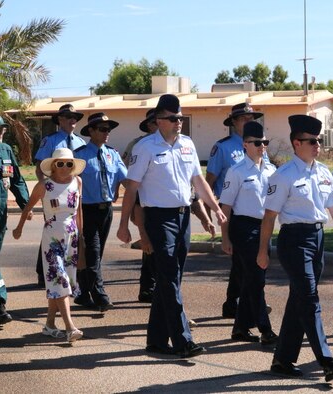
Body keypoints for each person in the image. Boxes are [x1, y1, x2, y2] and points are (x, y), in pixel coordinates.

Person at [117, 94, 226, 358]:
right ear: (158, 120)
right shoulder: (145, 148)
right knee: (167, 277)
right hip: (158, 218)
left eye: (180, 117)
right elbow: (132, 189)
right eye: (172, 118)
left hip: (182, 216)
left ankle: (155, 340)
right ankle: (183, 340)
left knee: (171, 279)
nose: (178, 122)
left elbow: (198, 183)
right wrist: (124, 224)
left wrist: (215, 208)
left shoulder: (187, 144)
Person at [257, 114, 333, 382]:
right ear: (296, 143)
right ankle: (326, 360)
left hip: (317, 239)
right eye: (312, 141)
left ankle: (282, 360)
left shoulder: (324, 172)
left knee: (300, 300)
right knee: (310, 299)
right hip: (294, 241)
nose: (317, 145)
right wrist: (263, 250)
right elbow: (269, 217)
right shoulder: (284, 175)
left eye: (319, 141)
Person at [13, 148, 86, 342]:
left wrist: (82, 240)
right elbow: (28, 207)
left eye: (69, 163)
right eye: (60, 163)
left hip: (72, 238)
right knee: (60, 280)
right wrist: (19, 228)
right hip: (52, 238)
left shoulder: (77, 182)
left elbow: (79, 213)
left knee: (61, 282)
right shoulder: (44, 186)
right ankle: (70, 328)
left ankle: (49, 324)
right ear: (53, 165)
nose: (64, 167)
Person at [219, 121, 277, 346]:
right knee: (256, 279)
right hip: (243, 228)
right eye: (257, 143)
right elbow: (225, 207)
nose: (262, 146)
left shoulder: (271, 170)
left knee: (251, 280)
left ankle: (240, 328)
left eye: (265, 142)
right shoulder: (236, 171)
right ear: (245, 145)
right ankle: (266, 328)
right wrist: (225, 237)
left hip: (265, 227)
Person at [207, 102, 264, 319]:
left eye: (252, 118)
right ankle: (249, 306)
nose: (249, 121)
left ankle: (235, 303)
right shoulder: (223, 147)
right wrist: (207, 209)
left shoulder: (259, 145)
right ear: (233, 122)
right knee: (245, 263)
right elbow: (210, 179)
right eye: (243, 118)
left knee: (243, 264)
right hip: (234, 211)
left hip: (257, 212)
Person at [73, 113, 127, 312]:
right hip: (86, 210)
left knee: (96, 254)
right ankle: (100, 294)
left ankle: (83, 293)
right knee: (93, 252)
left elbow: (126, 180)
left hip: (106, 211)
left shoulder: (113, 154)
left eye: (109, 130)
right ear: (91, 131)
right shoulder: (79, 155)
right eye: (103, 129)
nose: (107, 133)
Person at [34, 104, 86, 287]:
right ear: (60, 120)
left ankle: (68, 270)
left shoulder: (81, 143)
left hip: (72, 192)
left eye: (76, 117)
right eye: (69, 117)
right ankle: (44, 271)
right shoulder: (51, 141)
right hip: (53, 194)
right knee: (52, 230)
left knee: (71, 232)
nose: (73, 120)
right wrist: (46, 190)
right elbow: (40, 168)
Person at [122, 109, 157, 303]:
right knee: (148, 241)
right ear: (150, 125)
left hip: (159, 201)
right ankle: (148, 287)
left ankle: (149, 287)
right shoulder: (137, 144)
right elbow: (125, 171)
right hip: (140, 199)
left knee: (151, 244)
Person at [0, 116, 31, 325]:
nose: (0, 132)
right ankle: (0, 302)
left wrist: (25, 205)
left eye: (1, 128)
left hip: (0, 214)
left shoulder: (6, 150)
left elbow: (17, 179)